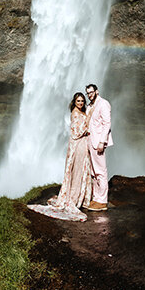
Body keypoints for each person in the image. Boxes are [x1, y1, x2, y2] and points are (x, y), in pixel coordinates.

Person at [27, 92, 94, 221]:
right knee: (77, 170)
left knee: (79, 169)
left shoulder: (80, 112)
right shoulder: (75, 113)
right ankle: (74, 198)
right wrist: (88, 125)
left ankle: (80, 196)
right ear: (74, 102)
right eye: (78, 101)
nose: (80, 103)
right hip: (77, 144)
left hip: (81, 144)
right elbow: (76, 132)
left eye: (82, 101)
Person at [84, 83, 112, 211]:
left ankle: (102, 201)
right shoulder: (89, 106)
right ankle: (96, 197)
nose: (89, 95)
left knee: (101, 171)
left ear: (97, 91)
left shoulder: (103, 104)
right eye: (87, 93)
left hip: (98, 142)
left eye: (91, 92)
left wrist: (102, 142)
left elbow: (107, 124)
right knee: (93, 171)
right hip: (89, 141)